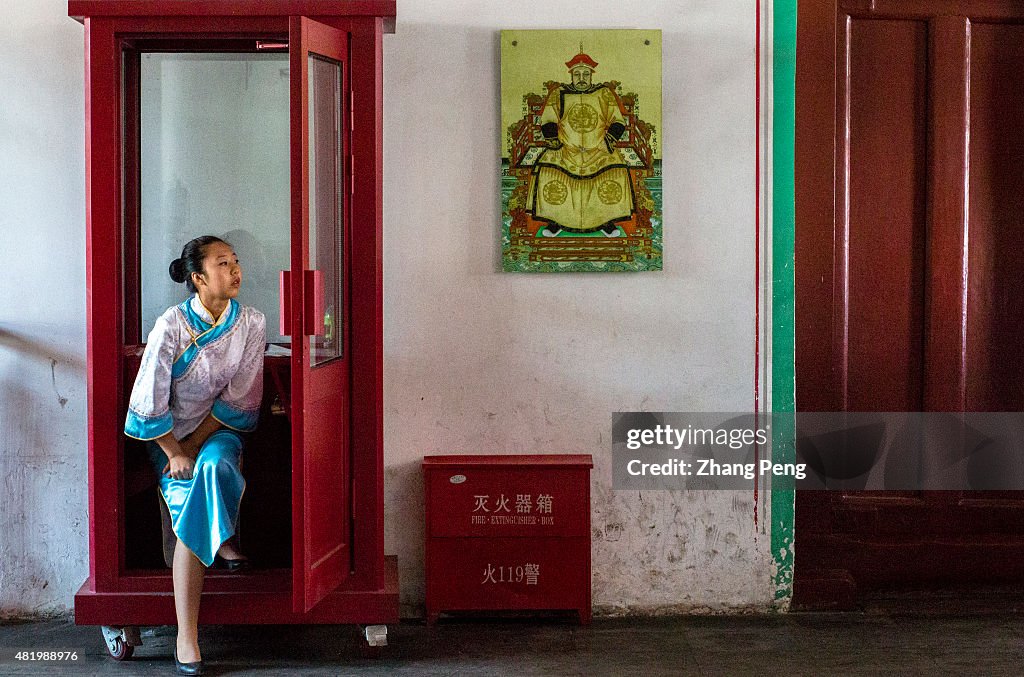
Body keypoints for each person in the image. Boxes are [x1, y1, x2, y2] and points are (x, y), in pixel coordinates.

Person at [123, 235, 266, 675]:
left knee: (215, 464)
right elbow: (148, 399)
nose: (235, 270)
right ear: (198, 277)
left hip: (217, 433)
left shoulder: (252, 323)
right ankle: (188, 631)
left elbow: (238, 402)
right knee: (194, 482)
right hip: (167, 439)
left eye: (236, 262)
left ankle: (188, 632)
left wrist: (193, 448)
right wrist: (173, 450)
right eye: (223, 263)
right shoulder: (170, 324)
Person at [526, 50, 635, 237]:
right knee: (548, 168)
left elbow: (618, 122)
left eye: (586, 74)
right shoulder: (559, 93)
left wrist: (605, 143)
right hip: (566, 148)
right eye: (577, 74)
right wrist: (556, 143)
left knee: (615, 169)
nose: (581, 78)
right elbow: (548, 120)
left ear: (591, 75)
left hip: (599, 149)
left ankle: (606, 220)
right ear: (571, 75)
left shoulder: (604, 94)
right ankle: (556, 220)